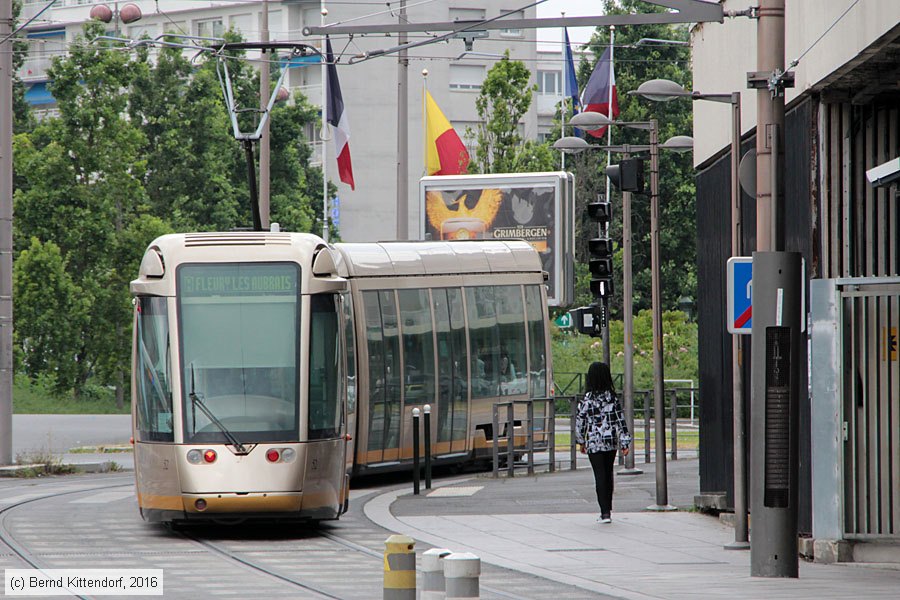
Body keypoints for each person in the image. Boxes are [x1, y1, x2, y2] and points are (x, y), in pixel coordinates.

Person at [575, 362, 631, 524]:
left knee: (599, 475)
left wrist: (581, 441)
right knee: (608, 474)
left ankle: (604, 512)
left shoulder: (586, 400)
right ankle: (608, 508)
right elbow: (620, 421)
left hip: (593, 442)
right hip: (610, 441)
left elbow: (580, 422)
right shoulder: (612, 399)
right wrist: (625, 442)